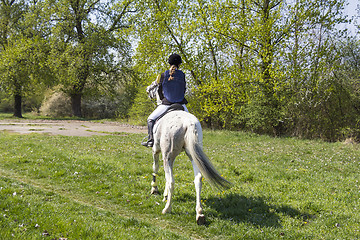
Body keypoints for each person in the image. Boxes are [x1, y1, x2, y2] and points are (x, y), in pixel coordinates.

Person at [142, 53, 189, 147]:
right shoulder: (183, 75)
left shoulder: (163, 75)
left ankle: (151, 140)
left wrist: (163, 100)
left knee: (150, 119)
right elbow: (184, 89)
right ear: (179, 64)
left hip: (167, 104)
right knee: (192, 122)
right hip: (181, 104)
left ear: (169, 63)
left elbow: (159, 91)